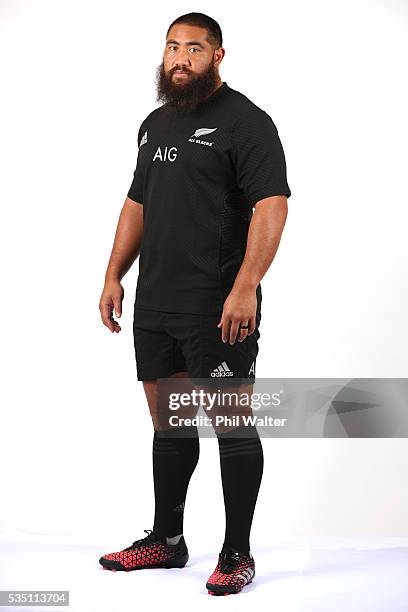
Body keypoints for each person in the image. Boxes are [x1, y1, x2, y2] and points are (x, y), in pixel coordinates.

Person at [98, 12, 291, 596]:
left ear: (218, 56)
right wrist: (113, 275)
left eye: (195, 49)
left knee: (231, 422)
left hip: (217, 303)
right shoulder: (155, 125)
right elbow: (138, 204)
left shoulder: (247, 123)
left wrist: (246, 286)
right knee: (168, 420)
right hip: (156, 301)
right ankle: (167, 539)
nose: (180, 59)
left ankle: (237, 553)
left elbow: (272, 205)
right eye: (172, 48)